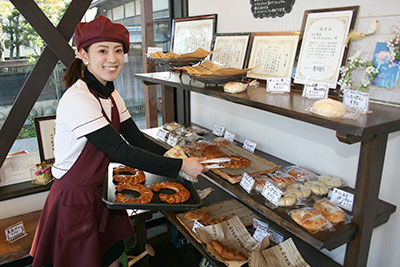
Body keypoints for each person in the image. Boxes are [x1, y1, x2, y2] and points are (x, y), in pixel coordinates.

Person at [29, 15, 207, 267]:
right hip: (76, 199)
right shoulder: (78, 98)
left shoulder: (110, 94)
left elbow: (137, 139)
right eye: (102, 51)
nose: (113, 59)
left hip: (103, 193)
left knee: (110, 258)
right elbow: (123, 151)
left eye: (118, 51)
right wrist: (180, 168)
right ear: (83, 54)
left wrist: (179, 156)